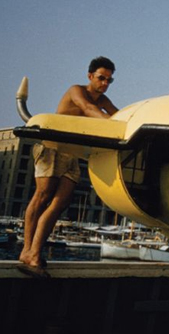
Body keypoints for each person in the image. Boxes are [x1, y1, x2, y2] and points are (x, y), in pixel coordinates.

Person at [18, 56, 118, 278]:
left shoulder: (104, 100)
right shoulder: (77, 90)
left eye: (109, 80)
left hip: (73, 154)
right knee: (42, 197)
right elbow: (87, 107)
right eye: (101, 78)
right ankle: (28, 252)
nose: (105, 84)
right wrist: (113, 125)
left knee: (60, 203)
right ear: (90, 76)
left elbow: (117, 114)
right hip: (52, 147)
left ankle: (34, 251)